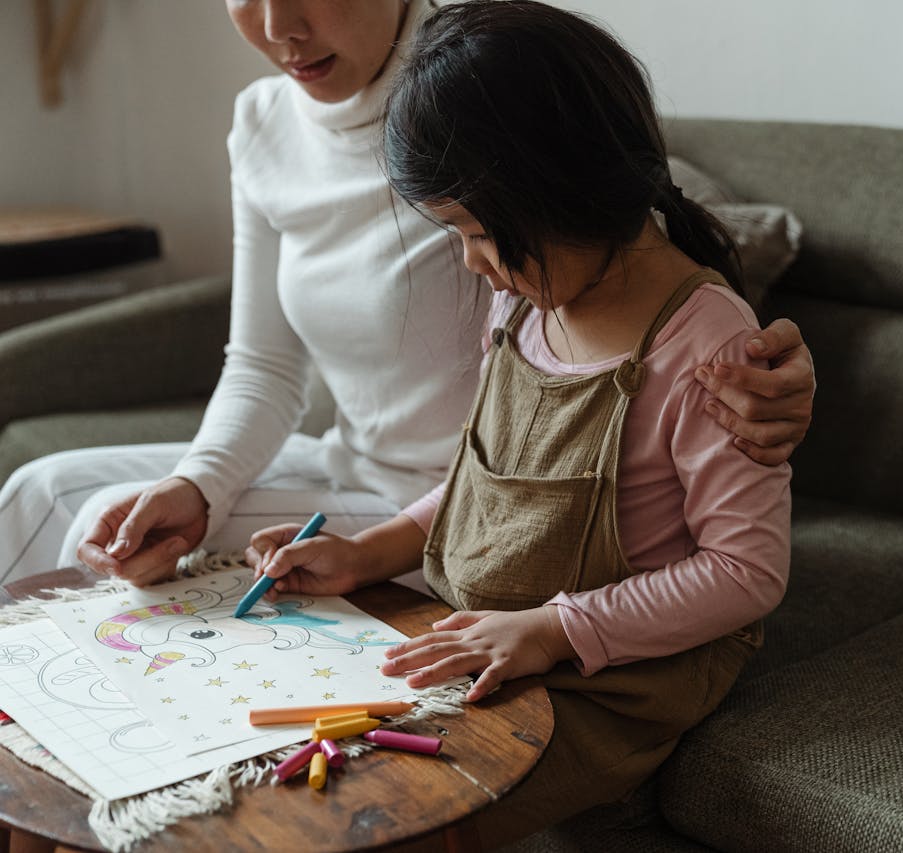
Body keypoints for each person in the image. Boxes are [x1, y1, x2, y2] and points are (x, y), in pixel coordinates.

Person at [0, 0, 814, 589]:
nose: (278, 25)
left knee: (87, 516)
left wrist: (766, 365)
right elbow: (261, 366)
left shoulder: (483, 87)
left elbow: (631, 230)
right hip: (352, 465)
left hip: (485, 498)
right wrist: (199, 486)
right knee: (38, 486)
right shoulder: (261, 123)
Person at [243, 1, 791, 845]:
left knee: (407, 817)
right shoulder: (525, 301)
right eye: (452, 232)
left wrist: (550, 629)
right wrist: (367, 552)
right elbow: (484, 489)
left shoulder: (710, 345)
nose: (470, 262)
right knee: (286, 776)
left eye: (479, 231)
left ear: (568, 184)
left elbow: (746, 572)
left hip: (616, 676)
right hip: (500, 631)